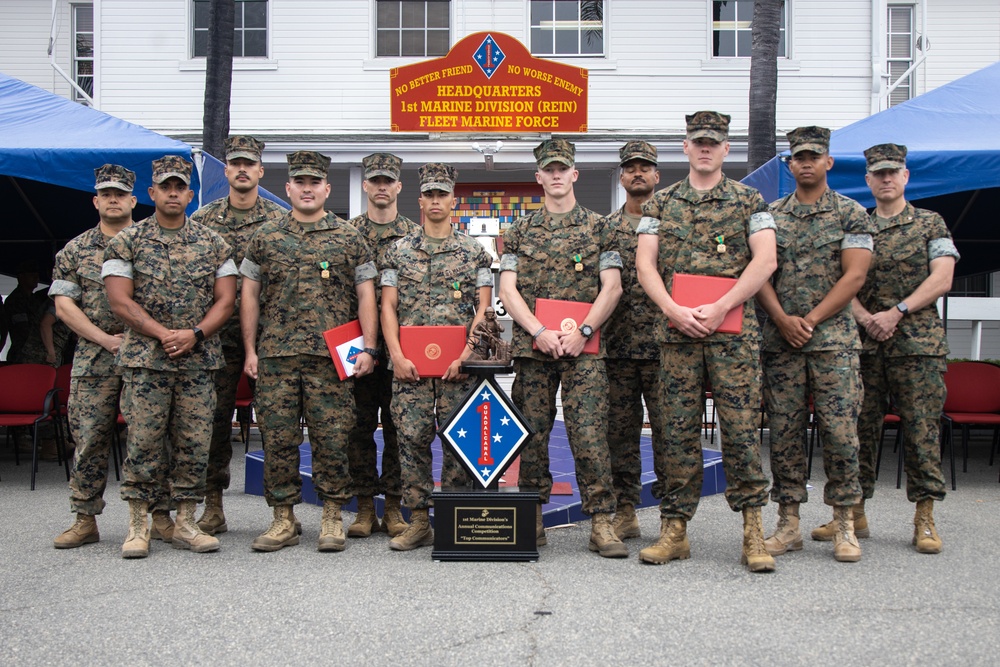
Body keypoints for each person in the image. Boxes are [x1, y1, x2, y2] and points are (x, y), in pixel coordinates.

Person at [635, 111, 778, 572]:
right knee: (676, 433)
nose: (705, 148)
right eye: (698, 141)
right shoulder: (661, 203)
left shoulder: (749, 199)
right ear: (685, 147)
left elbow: (765, 261)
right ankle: (674, 530)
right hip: (677, 336)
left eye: (713, 142)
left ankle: (754, 531)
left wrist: (721, 307)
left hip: (732, 338)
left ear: (725, 149)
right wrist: (673, 310)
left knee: (739, 431)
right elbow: (645, 265)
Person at [241, 150, 378, 553]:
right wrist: (250, 349)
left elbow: (365, 296)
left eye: (314, 182)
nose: (306, 189)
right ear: (287, 188)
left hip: (331, 360)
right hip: (276, 356)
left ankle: (333, 515)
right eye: (299, 182)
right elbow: (248, 295)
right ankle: (283, 518)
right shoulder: (265, 237)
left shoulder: (349, 237)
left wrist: (369, 347)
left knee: (333, 437)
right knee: (278, 438)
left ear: (326, 188)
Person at [498, 139, 627, 558]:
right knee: (532, 433)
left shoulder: (599, 228)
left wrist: (585, 330)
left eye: (562, 169)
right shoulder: (518, 231)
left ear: (574, 174)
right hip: (535, 349)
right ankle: (532, 516)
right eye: (548, 170)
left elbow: (613, 286)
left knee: (589, 431)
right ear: (538, 177)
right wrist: (537, 330)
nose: (555, 175)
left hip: (583, 349)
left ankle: (602, 521)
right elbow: (508, 289)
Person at [103, 155, 237, 559]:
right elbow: (118, 301)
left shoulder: (213, 242)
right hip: (147, 362)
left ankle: (186, 521)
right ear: (152, 193)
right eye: (166, 187)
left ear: (190, 194)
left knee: (194, 443)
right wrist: (163, 334)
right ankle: (138, 525)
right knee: (144, 442)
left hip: (198, 362)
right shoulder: (126, 241)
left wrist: (194, 334)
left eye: (180, 187)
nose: (173, 193)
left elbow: (226, 300)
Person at [756, 126, 873, 562]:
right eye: (798, 157)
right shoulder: (770, 216)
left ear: (828, 162)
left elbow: (855, 275)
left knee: (841, 434)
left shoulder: (851, 213)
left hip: (834, 343)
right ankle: (788, 524)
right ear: (790, 164)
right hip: (781, 342)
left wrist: (811, 319)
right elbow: (761, 274)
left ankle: (845, 523)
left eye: (813, 156)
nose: (805, 163)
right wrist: (783, 319)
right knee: (784, 434)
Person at [841, 143, 958, 554]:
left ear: (906, 177)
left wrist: (896, 311)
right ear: (868, 180)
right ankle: (854, 514)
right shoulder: (857, 226)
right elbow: (843, 281)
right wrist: (864, 317)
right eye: (879, 173)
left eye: (894, 172)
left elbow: (942, 278)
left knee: (922, 432)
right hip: (865, 346)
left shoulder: (930, 224)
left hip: (917, 346)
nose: (887, 179)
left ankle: (924, 518)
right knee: (858, 431)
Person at [379, 162, 493, 550]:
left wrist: (467, 354)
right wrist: (395, 355)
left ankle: (454, 517)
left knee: (458, 442)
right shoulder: (397, 252)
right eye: (429, 193)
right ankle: (418, 520)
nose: (435, 200)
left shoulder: (474, 252)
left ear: (453, 199)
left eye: (442, 193)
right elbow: (388, 307)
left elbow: (483, 309)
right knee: (410, 439)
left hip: (456, 368)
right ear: (419, 199)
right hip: (409, 369)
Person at [189, 135, 286, 537]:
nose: (243, 169)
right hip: (217, 340)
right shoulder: (203, 221)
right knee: (213, 423)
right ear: (226, 170)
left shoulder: (280, 221)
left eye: (250, 163)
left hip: (271, 340)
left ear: (261, 171)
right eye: (236, 163)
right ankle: (213, 505)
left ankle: (281, 513)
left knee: (276, 424)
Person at [50, 165, 139, 548]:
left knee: (150, 438)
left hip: (145, 354)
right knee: (88, 438)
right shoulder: (75, 249)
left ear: (134, 200)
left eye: (120, 193)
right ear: (95, 201)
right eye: (106, 194)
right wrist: (105, 339)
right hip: (94, 357)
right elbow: (64, 306)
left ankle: (157, 517)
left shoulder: (152, 241)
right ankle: (85, 517)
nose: (113, 199)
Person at [345, 152, 419, 539]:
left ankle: (392, 506)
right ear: (365, 185)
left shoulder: (412, 236)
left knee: (396, 428)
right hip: (354, 350)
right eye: (375, 181)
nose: (381, 187)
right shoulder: (346, 234)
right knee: (357, 428)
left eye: (388, 181)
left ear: (399, 187)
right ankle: (362, 507)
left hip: (400, 352)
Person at [603, 140, 665, 541]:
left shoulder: (671, 221)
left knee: (669, 434)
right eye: (631, 168)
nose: (638, 173)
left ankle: (671, 516)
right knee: (619, 435)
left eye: (645, 167)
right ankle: (625, 509)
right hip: (617, 349)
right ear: (622, 177)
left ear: (657, 175)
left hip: (666, 349)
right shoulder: (605, 228)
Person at [4, 262, 41, 362]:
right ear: (21, 277)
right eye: (32, 275)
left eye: (37, 275)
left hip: (36, 352)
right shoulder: (15, 300)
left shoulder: (34, 299)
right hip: (22, 354)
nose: (36, 278)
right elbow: (22, 329)